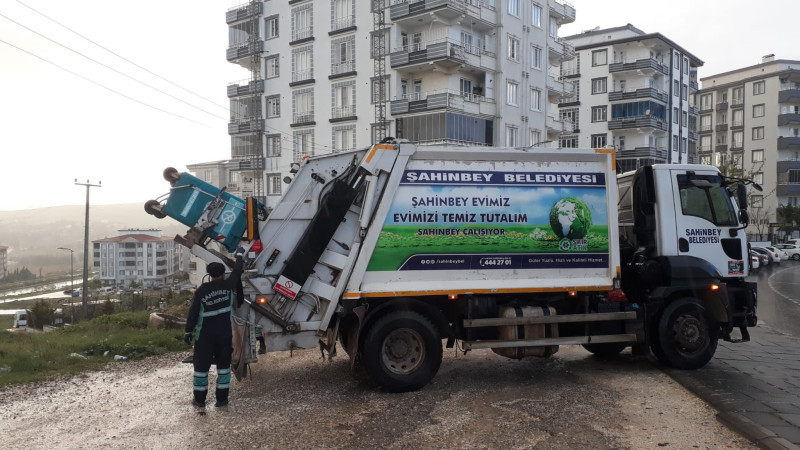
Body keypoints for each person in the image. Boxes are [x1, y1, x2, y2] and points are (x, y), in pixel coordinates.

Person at [184, 250, 244, 408]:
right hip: (224, 335)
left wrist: (188, 331)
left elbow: (193, 313)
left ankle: (199, 400)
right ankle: (222, 400)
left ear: (209, 274)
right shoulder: (229, 285)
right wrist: (240, 255)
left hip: (205, 337)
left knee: (201, 369)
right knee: (224, 367)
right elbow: (238, 271)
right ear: (223, 274)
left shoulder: (202, 291)